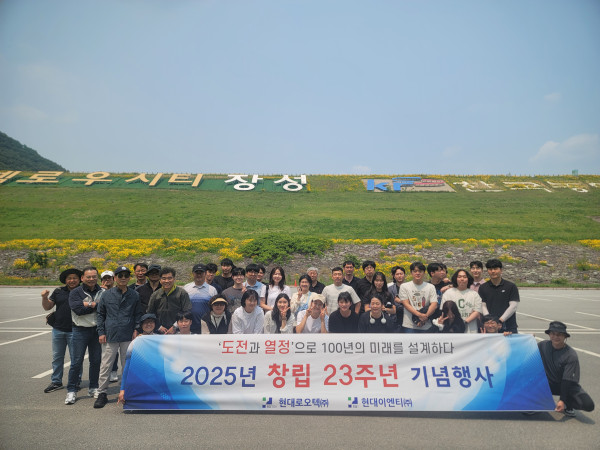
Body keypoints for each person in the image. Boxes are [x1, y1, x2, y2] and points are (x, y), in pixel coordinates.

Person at [94, 266, 143, 409]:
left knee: (127, 365)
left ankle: (127, 391)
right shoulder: (107, 295)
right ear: (115, 278)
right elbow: (100, 314)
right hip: (110, 334)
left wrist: (136, 329)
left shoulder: (134, 295)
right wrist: (101, 332)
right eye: (120, 275)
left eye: (126, 275)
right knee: (106, 365)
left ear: (129, 278)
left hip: (128, 334)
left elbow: (138, 314)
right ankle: (102, 393)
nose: (123, 278)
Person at [538, 321, 594, 417]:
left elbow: (567, 380)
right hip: (547, 384)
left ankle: (568, 403)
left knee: (588, 405)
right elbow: (527, 351)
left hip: (566, 385)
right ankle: (534, 404)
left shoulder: (571, 355)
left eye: (559, 334)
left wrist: (562, 400)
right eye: (553, 333)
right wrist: (528, 338)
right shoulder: (542, 345)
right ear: (549, 334)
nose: (555, 337)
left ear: (565, 337)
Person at [65, 266, 104, 405]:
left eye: (94, 276)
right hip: (80, 330)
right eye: (88, 276)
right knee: (76, 362)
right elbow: (78, 310)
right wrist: (95, 305)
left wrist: (88, 304)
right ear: (82, 278)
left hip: (97, 330)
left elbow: (104, 309)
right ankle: (71, 390)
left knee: (96, 361)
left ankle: (93, 387)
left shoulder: (103, 292)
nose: (91, 279)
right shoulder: (75, 292)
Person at [41, 268, 82, 393]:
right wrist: (44, 297)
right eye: (69, 278)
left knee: (76, 358)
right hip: (58, 329)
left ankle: (75, 381)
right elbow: (48, 307)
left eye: (74, 278)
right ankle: (56, 381)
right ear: (65, 280)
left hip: (75, 330)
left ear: (79, 279)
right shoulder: (59, 291)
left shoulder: (82, 291)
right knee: (57, 357)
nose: (72, 280)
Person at [479, 259, 520, 333]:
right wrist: (490, 321)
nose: (493, 271)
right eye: (490, 269)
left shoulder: (511, 286)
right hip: (490, 327)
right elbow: (483, 306)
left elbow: (513, 306)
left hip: (508, 326)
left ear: (501, 270)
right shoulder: (483, 287)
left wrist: (500, 321)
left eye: (495, 269)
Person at [147, 267, 192, 334]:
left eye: (169, 278)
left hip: (178, 331)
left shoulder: (182, 293)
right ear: (160, 280)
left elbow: (187, 312)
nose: (167, 281)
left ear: (174, 279)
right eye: (164, 278)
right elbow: (150, 313)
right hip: (159, 331)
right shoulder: (155, 295)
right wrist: (159, 326)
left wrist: (174, 326)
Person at [399, 262, 438, 333]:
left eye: (420, 271)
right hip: (409, 325)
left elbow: (434, 304)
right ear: (411, 273)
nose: (417, 273)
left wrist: (425, 316)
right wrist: (419, 315)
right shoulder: (404, 286)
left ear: (424, 273)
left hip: (426, 324)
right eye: (415, 271)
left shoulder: (431, 287)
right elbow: (406, 304)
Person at [440, 269, 482, 333]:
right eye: (459, 277)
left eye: (464, 277)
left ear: (468, 279)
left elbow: (477, 311)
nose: (462, 279)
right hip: (452, 330)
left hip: (470, 330)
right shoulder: (448, 293)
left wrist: (464, 322)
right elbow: (444, 310)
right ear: (456, 279)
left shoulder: (474, 294)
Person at [183, 263, 218, 333]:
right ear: (193, 273)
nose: (199, 275)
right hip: (190, 326)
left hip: (207, 325)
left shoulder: (212, 290)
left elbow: (214, 308)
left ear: (205, 273)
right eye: (197, 273)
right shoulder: (186, 288)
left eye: (201, 273)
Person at [388, 266, 406, 331]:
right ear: (394, 276)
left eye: (401, 274)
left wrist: (400, 301)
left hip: (407, 317)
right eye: (397, 274)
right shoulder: (390, 289)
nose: (399, 276)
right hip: (394, 318)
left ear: (404, 275)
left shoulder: (409, 288)